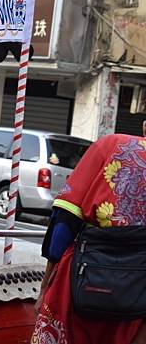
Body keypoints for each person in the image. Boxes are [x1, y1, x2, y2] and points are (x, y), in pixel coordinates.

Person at [32, 133, 146, 344]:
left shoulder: (111, 144)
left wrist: (45, 288)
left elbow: (64, 222)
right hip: (137, 291)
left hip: (81, 276)